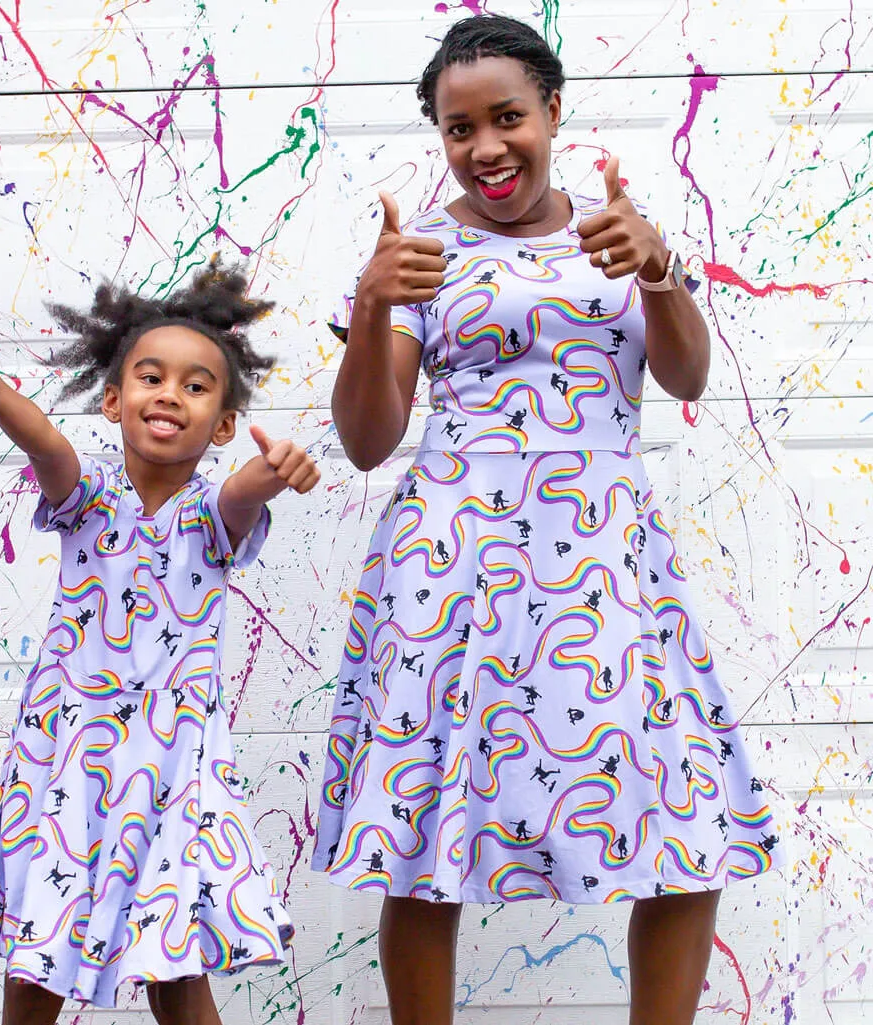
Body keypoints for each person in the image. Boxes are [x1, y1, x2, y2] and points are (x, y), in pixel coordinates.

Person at [312, 14, 782, 1025]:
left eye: (507, 117)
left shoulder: (617, 228)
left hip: (605, 561)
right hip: (452, 562)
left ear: (553, 112)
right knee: (423, 840)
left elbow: (686, 374)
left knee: (685, 825)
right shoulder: (417, 252)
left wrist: (657, 269)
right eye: (457, 126)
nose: (484, 145)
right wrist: (367, 304)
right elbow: (366, 439)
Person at [0, 259, 319, 1020]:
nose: (169, 395)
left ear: (221, 423)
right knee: (37, 961)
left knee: (176, 967)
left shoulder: (212, 513)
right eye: (151, 377)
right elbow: (48, 446)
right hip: (69, 764)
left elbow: (242, 491)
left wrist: (272, 470)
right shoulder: (85, 495)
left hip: (172, 769)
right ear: (116, 400)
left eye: (195, 386)